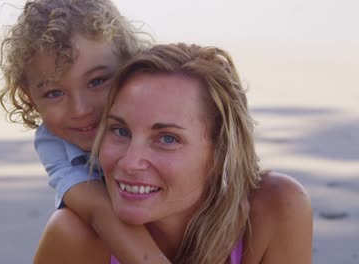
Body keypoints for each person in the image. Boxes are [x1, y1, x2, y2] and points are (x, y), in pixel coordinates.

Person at [34, 43, 313, 263]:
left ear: (220, 153)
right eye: (120, 131)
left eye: (167, 138)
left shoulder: (276, 208)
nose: (130, 162)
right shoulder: (74, 238)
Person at [0, 0, 170, 263]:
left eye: (97, 81)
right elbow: (97, 209)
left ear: (132, 67)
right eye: (54, 93)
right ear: (30, 98)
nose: (79, 110)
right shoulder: (53, 141)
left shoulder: (166, 110)